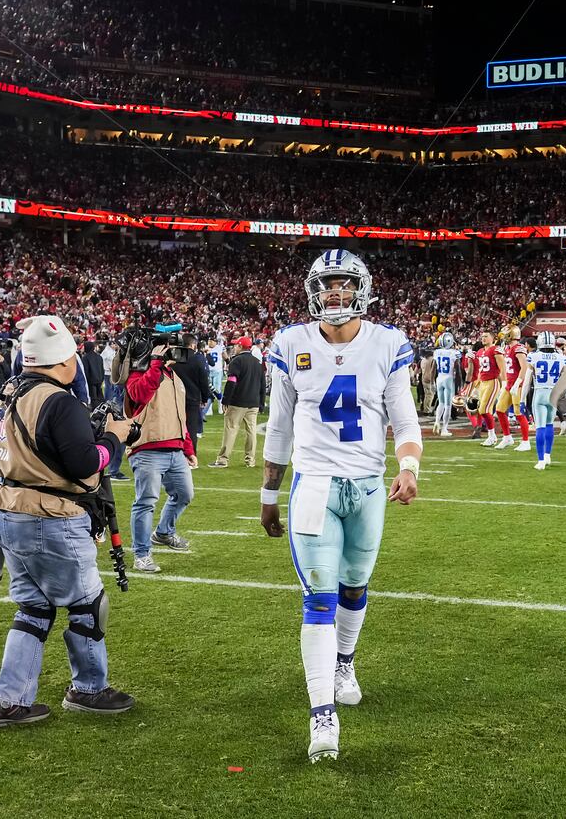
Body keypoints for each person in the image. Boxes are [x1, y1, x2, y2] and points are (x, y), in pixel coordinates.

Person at [258, 249, 422, 762]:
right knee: (320, 599)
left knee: (355, 586)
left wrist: (410, 466)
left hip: (369, 484)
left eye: (344, 284)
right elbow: (280, 424)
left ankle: (344, 662)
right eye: (327, 284)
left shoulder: (388, 342)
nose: (335, 292)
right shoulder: (290, 342)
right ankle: (321, 714)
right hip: (314, 488)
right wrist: (268, 492)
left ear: (361, 289)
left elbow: (405, 415)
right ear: (313, 289)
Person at [0, 315, 135, 727]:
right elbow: (86, 466)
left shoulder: (8, 392)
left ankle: (9, 700)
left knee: (33, 607)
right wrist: (113, 438)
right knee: (87, 605)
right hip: (48, 517)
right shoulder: (58, 400)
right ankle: (89, 689)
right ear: (65, 359)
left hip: (5, 509)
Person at [119, 328, 197, 572]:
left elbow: (179, 417)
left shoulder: (174, 377)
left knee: (185, 494)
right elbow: (139, 394)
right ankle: (141, 554)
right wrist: (154, 363)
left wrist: (188, 447)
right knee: (145, 502)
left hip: (175, 448)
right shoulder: (138, 373)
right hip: (147, 448)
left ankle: (163, 532)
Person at [213, 337, 262, 468]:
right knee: (251, 431)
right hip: (253, 402)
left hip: (238, 402)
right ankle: (250, 460)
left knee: (231, 429)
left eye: (236, 345)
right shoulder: (257, 362)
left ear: (240, 347)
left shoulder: (237, 361)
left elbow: (232, 381)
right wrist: (261, 402)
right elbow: (262, 384)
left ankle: (223, 460)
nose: (234, 347)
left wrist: (225, 400)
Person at [524, 331, 566, 469]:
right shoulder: (560, 357)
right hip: (554, 394)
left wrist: (521, 400)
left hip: (540, 393)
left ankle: (541, 460)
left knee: (540, 427)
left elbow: (527, 381)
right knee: (549, 425)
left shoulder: (533, 356)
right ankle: (548, 456)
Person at [171, 333, 213, 461]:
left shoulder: (174, 358)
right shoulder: (198, 359)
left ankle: (175, 452)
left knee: (174, 426)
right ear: (193, 344)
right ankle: (191, 455)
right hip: (193, 398)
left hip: (175, 398)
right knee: (191, 428)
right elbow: (203, 381)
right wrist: (205, 398)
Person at [474, 331, 503, 447]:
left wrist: (504, 384)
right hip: (483, 382)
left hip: (492, 381)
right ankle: (492, 436)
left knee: (483, 410)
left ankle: (493, 436)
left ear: (493, 338)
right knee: (485, 410)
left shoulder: (495, 349)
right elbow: (481, 370)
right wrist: (476, 384)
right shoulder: (480, 352)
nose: (483, 338)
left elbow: (502, 368)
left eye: (486, 336)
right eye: (482, 337)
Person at [431, 333, 461, 437]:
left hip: (439, 378)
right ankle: (444, 428)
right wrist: (460, 385)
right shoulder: (455, 353)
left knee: (441, 403)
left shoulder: (437, 352)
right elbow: (458, 371)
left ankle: (436, 422)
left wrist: (432, 381)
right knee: (448, 406)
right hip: (448, 379)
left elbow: (433, 368)